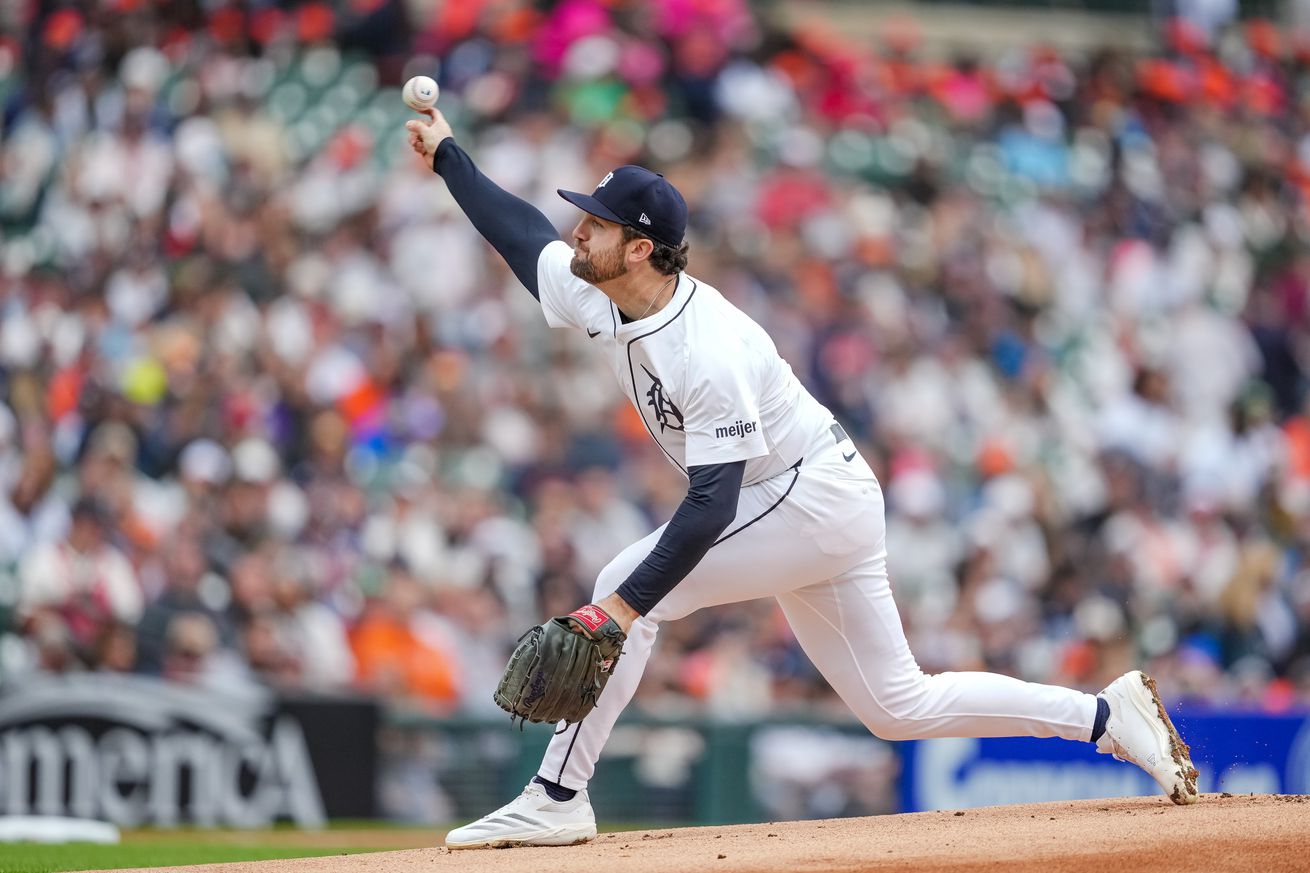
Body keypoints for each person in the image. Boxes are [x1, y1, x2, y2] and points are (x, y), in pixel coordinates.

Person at [403, 109, 1199, 850]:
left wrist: (615, 608)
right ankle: (1105, 716)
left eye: (598, 222)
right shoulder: (600, 287)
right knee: (898, 706)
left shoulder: (705, 347)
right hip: (813, 497)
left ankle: (556, 793)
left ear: (641, 247)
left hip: (804, 495)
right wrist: (448, 154)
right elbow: (522, 236)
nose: (580, 229)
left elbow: (711, 503)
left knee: (623, 587)